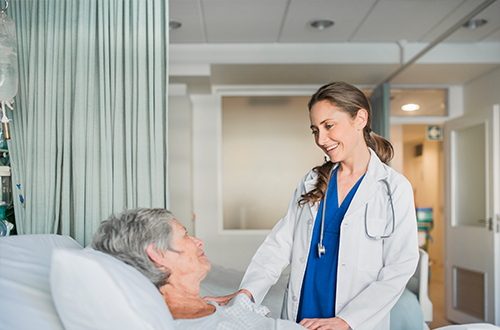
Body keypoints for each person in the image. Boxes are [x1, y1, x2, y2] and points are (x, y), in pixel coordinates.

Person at [205, 82, 419, 330]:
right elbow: (280, 244)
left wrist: (348, 320)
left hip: (353, 321)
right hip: (303, 313)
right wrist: (247, 293)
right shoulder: (312, 182)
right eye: (315, 130)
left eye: (329, 126)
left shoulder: (393, 189)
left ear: (360, 118)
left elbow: (399, 267)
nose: (321, 139)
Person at [91, 208, 305, 330]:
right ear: (158, 254)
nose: (198, 241)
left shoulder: (213, 308)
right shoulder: (190, 325)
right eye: (185, 235)